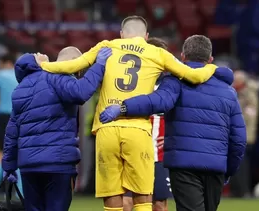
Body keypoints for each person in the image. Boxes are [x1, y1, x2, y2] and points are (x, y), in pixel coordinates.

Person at [34, 15, 217, 211]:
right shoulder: (156, 53)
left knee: (112, 194)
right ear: (146, 36)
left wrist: (44, 65)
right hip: (137, 129)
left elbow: (73, 65)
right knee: (143, 196)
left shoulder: (107, 46)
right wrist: (213, 67)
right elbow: (195, 76)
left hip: (107, 129)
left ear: (122, 34)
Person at [100, 35, 247, 211]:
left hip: (183, 165)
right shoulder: (228, 92)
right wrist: (228, 169)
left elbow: (156, 101)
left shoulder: (175, 82)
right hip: (215, 168)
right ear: (210, 60)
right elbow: (239, 139)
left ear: (182, 57)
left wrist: (123, 107)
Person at [2, 47, 112, 211]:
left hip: (28, 166)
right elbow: (81, 92)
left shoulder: (21, 87)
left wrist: (9, 166)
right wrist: (99, 65)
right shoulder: (59, 77)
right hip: (57, 163)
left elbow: (11, 131)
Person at [123, 37, 171, 211]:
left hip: (158, 156)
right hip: (132, 152)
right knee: (127, 203)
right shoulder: (129, 84)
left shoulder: (171, 86)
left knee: (159, 205)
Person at [0, 53, 20, 199]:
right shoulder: (20, 75)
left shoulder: (0, 75)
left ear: (5, 62)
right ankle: (21, 193)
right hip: (18, 115)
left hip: (3, 117)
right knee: (21, 155)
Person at [230, 70, 259, 197]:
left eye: (236, 81)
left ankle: (244, 191)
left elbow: (250, 116)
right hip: (233, 135)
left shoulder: (250, 94)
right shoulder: (233, 93)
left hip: (245, 135)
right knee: (233, 165)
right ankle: (235, 190)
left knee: (242, 166)